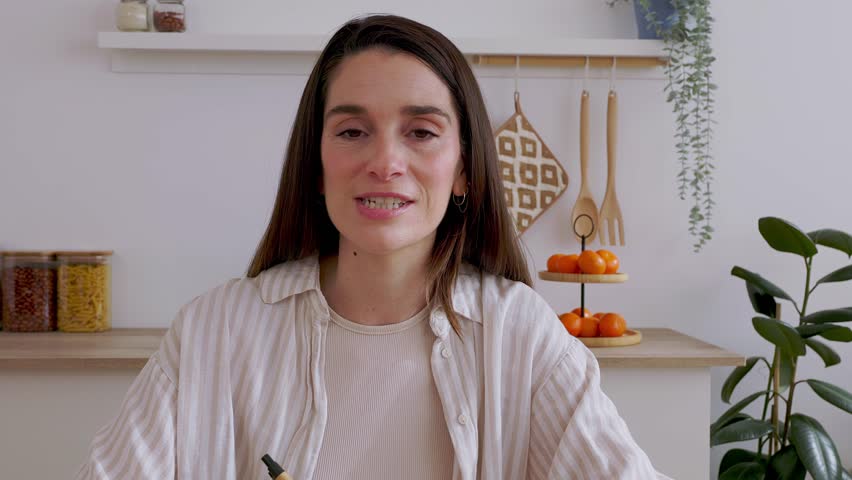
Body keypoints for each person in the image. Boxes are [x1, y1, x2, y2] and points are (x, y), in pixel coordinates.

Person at [74, 14, 669, 480]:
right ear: (316, 165)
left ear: (465, 171)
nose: (385, 162)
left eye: (421, 132)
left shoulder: (521, 333)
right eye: (353, 131)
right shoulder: (213, 332)